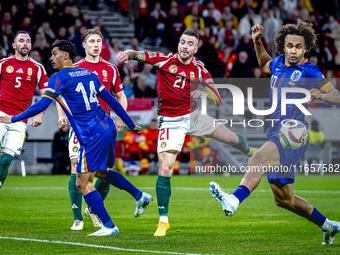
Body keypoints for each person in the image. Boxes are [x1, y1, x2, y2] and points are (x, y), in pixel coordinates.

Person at [0, 40, 152, 236]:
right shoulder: (89, 74)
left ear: (66, 55)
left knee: (81, 182)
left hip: (91, 133)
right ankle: (139, 196)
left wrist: (12, 118)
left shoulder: (58, 78)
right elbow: (111, 100)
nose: (51, 58)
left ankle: (108, 226)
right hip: (107, 126)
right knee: (101, 172)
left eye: (55, 54)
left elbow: (40, 106)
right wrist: (130, 125)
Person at [209, 22, 340, 246]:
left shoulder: (310, 71)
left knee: (256, 160)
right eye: (289, 46)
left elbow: (336, 95)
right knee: (284, 200)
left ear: (305, 48)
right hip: (276, 131)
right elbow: (263, 63)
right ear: (284, 46)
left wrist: (321, 95)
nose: (293, 51)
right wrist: (257, 41)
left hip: (293, 133)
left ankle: (234, 200)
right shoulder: (279, 62)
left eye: (298, 47)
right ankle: (328, 225)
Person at [116, 28, 257, 236]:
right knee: (165, 169)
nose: (185, 46)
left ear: (195, 49)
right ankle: (163, 221)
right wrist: (126, 54)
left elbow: (216, 95)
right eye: (183, 42)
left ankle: (252, 153)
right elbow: (140, 55)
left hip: (194, 116)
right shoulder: (164, 60)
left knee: (233, 137)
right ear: (178, 44)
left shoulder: (199, 68)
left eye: (190, 44)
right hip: (170, 121)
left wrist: (205, 92)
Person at [57, 29, 148, 231]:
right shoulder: (75, 67)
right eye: (92, 41)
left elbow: (120, 96)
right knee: (76, 166)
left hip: (103, 126)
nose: (96, 44)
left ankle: (95, 208)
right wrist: (61, 115)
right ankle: (78, 217)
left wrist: (121, 117)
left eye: (99, 41)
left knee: (104, 172)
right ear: (84, 45)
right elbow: (57, 94)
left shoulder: (111, 69)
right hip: (80, 127)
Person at [0, 31, 48, 189]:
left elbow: (46, 95)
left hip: (20, 119)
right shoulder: (3, 64)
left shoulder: (37, 68)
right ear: (14, 45)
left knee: (6, 160)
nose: (25, 43)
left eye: (28, 41)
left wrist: (40, 115)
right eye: (21, 41)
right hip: (0, 114)